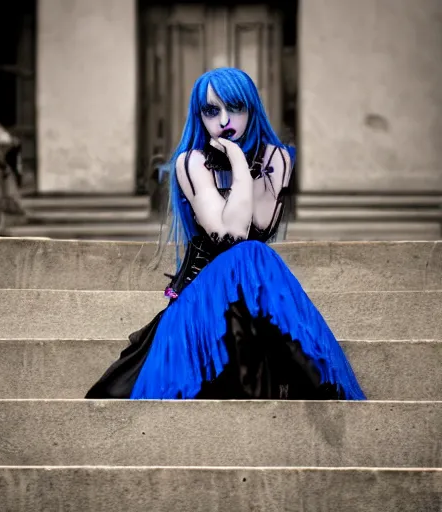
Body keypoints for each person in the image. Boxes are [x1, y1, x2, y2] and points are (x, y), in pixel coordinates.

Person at [86, 67, 366, 401]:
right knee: (249, 253)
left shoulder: (276, 158)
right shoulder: (191, 162)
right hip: (200, 301)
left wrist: (242, 168)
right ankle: (296, 377)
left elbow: (257, 228)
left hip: (250, 300)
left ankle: (298, 375)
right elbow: (231, 236)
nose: (224, 119)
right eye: (211, 110)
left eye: (235, 107)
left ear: (251, 109)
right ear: (199, 116)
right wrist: (238, 163)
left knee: (256, 255)